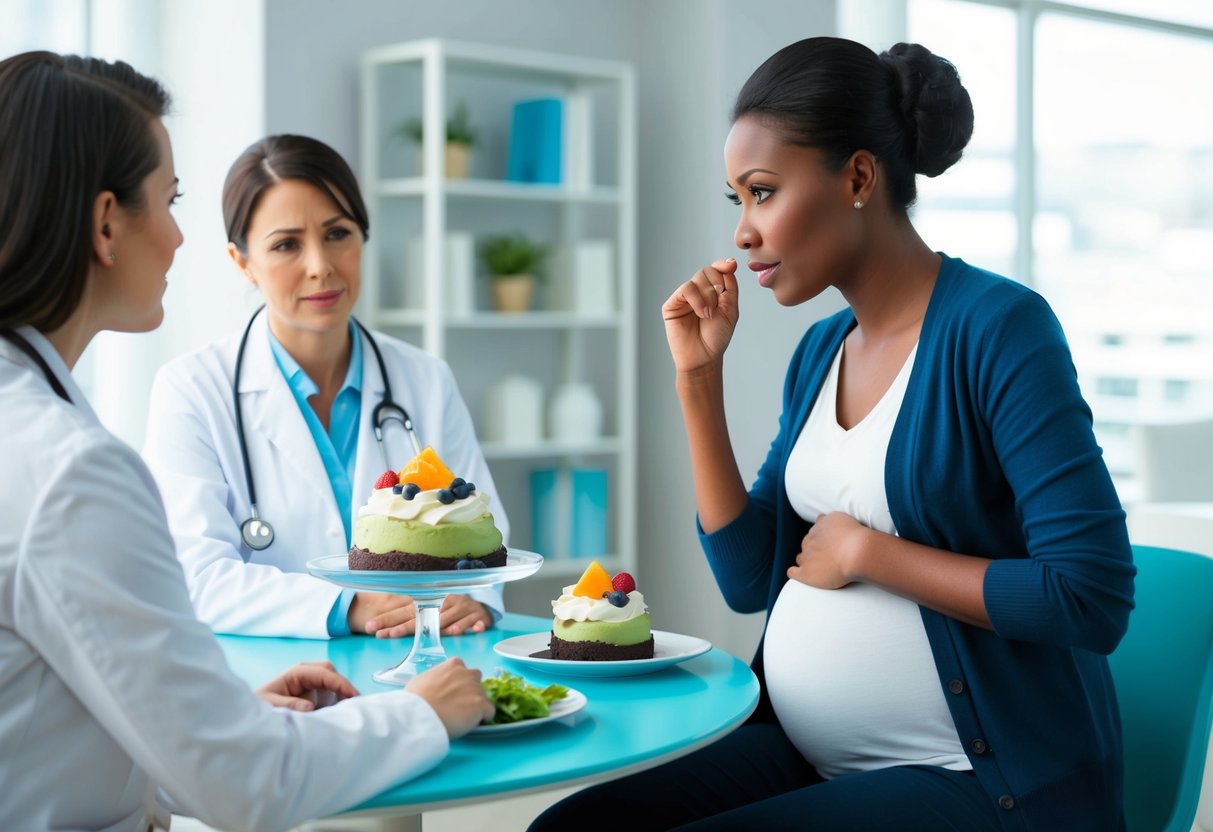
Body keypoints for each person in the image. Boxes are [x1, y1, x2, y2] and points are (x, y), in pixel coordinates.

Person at [530, 37, 1135, 832]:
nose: (743, 232)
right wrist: (697, 379)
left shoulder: (999, 328)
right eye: (735, 201)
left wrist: (868, 554)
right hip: (811, 753)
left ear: (856, 177)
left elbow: (1090, 597)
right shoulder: (821, 349)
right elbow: (751, 579)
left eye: (762, 192)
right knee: (568, 830)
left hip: (982, 778)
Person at [0, 51, 494, 832]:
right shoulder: (68, 468)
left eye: (338, 234)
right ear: (104, 225)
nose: (175, 236)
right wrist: (420, 713)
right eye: (170, 200)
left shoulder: (28, 427)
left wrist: (228, 720)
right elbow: (242, 785)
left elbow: (49, 714)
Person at [141, 134, 508, 640]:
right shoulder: (192, 390)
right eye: (286, 244)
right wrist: (350, 605)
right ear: (241, 261)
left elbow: (485, 535)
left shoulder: (424, 378)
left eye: (337, 233)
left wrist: (476, 601)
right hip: (272, 687)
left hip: (420, 670)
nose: (321, 265)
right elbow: (197, 578)